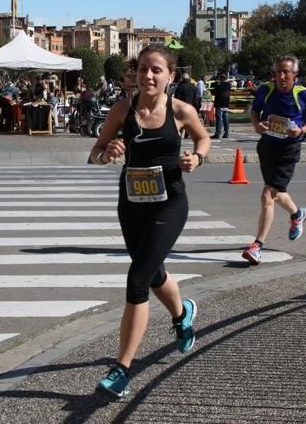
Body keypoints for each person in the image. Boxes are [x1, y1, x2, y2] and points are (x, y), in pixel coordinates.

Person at [89, 44, 210, 398]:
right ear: (135, 73)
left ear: (170, 76)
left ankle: (122, 369)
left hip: (169, 204)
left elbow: (203, 138)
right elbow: (95, 151)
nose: (148, 75)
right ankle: (182, 314)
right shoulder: (122, 109)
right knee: (153, 272)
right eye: (143, 69)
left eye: (156, 69)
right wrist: (106, 154)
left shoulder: (181, 110)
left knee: (138, 279)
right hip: (131, 204)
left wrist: (197, 159)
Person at [242, 55, 306, 265]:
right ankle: (297, 214)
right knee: (277, 193)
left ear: (295, 75)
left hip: (289, 148)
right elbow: (254, 111)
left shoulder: (304, 94)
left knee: (268, 195)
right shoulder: (266, 90)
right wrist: (257, 124)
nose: (281, 76)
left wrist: (301, 130)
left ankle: (257, 246)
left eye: (286, 71)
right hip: (267, 147)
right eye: (278, 71)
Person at [211, 73, 231, 138]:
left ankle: (218, 133)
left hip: (219, 104)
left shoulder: (220, 85)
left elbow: (214, 92)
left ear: (222, 78)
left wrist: (217, 85)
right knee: (226, 119)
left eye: (219, 78)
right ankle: (226, 133)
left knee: (219, 119)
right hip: (226, 103)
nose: (219, 80)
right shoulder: (229, 84)